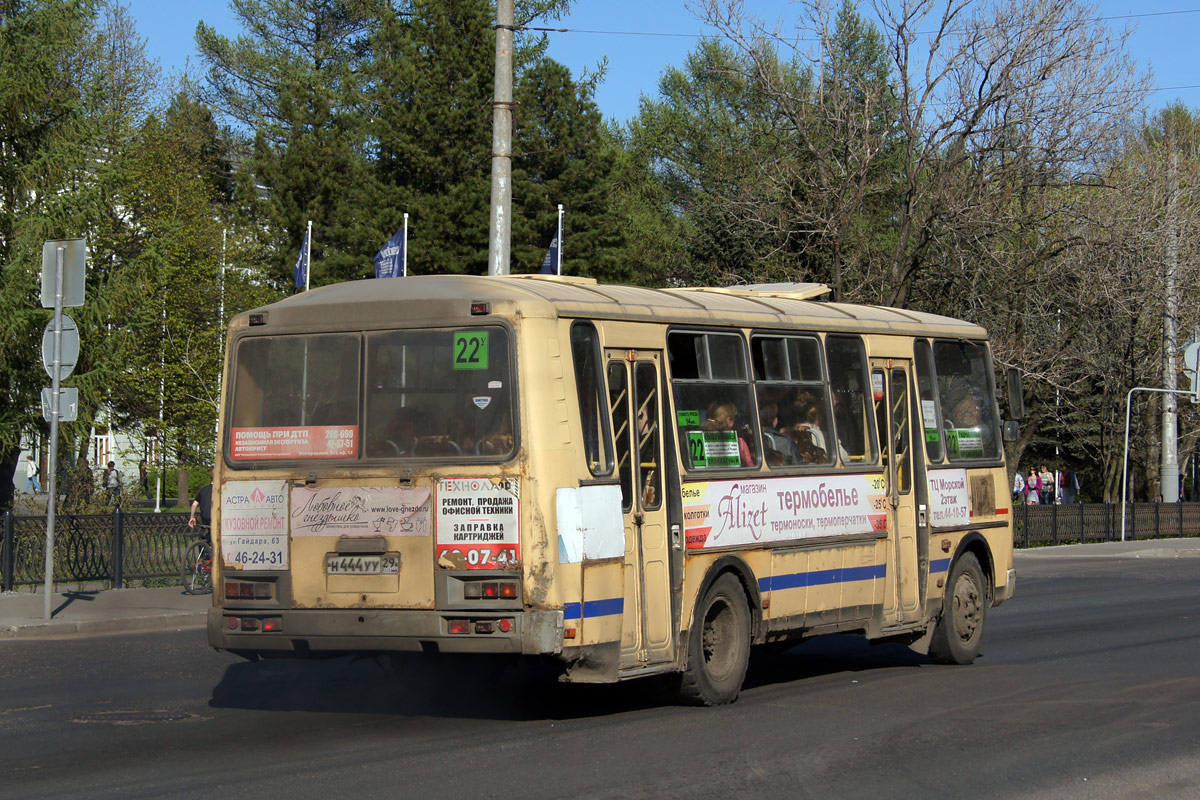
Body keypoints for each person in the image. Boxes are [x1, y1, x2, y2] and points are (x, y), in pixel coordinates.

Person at [702, 401, 755, 466]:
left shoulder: (701, 437)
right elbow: (750, 466)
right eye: (734, 419)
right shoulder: (739, 442)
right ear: (729, 420)